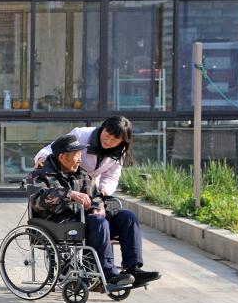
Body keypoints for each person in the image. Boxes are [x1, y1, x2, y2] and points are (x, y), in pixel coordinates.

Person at [27, 134, 155, 288]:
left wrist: (98, 208)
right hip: (58, 223)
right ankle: (109, 274)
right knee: (99, 223)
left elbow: (95, 197)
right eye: (77, 155)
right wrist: (69, 194)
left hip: (85, 221)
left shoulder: (81, 174)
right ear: (62, 157)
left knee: (127, 217)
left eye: (80, 155)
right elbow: (37, 200)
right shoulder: (39, 175)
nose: (80, 159)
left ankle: (133, 269)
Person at [34, 116, 135, 197]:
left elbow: (111, 176)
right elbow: (53, 148)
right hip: (65, 181)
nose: (108, 141)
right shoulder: (81, 134)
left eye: (114, 140)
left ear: (122, 141)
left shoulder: (120, 151)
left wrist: (103, 190)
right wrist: (43, 158)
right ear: (102, 128)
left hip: (89, 186)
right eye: (107, 136)